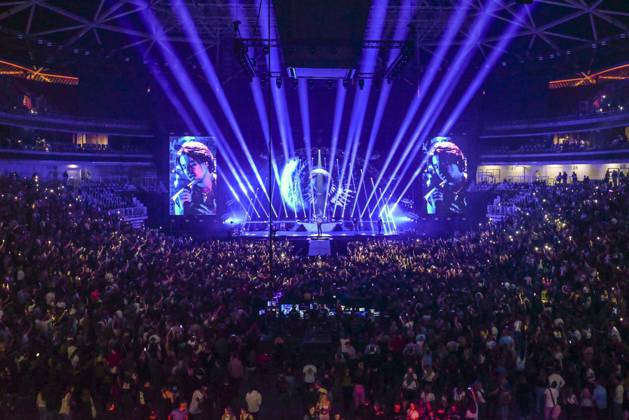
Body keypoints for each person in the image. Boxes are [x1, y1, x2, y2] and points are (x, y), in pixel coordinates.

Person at [171, 140, 217, 216]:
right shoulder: (181, 199)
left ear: (206, 163)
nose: (188, 171)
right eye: (184, 167)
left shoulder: (226, 185)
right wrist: (183, 211)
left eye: (192, 164)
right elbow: (180, 225)